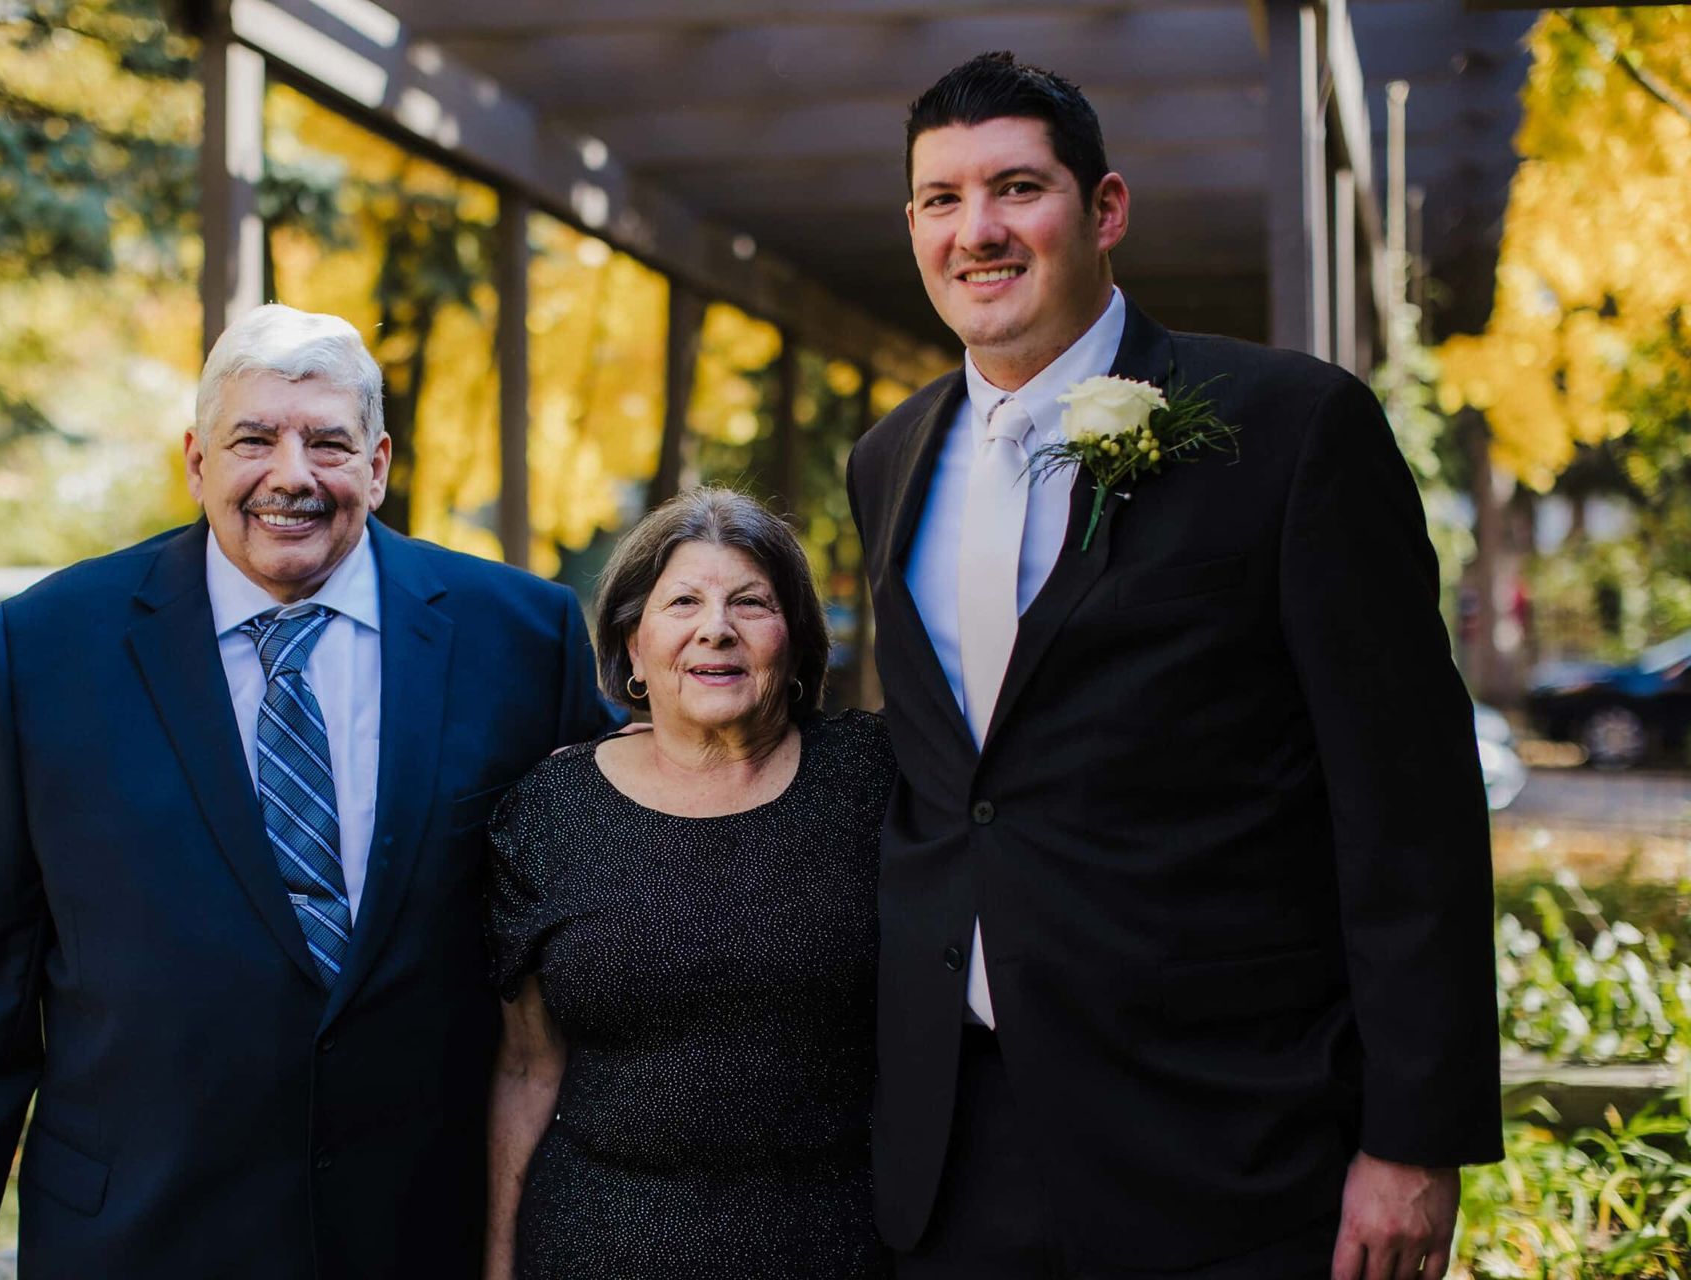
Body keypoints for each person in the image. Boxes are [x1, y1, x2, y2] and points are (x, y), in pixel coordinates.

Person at [845, 53, 1500, 1280]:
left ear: (1106, 211)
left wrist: (1415, 1138)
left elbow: (1408, 804)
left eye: (1017, 188)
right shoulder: (887, 457)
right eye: (941, 199)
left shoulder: (1293, 427)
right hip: (955, 1147)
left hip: (1226, 1141)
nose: (976, 231)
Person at [0, 303, 619, 1280]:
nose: (292, 474)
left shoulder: (521, 637)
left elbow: (600, 914)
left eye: (328, 441)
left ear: (379, 464)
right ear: (197, 461)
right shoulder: (51, 644)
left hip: (420, 1227)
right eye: (254, 438)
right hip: (136, 1228)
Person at [483, 487, 894, 1280]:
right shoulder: (547, 813)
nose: (717, 628)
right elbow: (526, 1067)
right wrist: (499, 1263)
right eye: (683, 602)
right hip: (596, 1244)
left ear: (797, 640)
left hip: (831, 1242)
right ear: (634, 648)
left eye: (751, 602)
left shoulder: (875, 782)